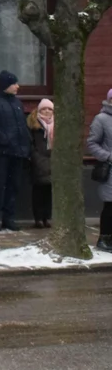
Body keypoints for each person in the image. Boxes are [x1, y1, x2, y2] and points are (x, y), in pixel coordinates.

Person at [0, 71, 30, 231]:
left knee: (13, 186)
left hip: (18, 152)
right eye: (14, 83)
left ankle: (9, 218)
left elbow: (22, 126)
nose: (17, 86)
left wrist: (25, 145)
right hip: (2, 153)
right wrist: (5, 140)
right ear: (5, 85)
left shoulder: (17, 103)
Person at [86, 88, 112, 252]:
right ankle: (104, 239)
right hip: (110, 170)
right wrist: (108, 156)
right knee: (110, 206)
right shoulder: (101, 119)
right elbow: (92, 143)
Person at [27, 99, 54, 228]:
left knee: (49, 191)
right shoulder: (34, 125)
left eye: (50, 109)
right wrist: (37, 158)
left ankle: (47, 217)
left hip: (53, 161)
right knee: (38, 191)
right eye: (44, 109)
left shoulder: (56, 125)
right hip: (38, 162)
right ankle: (38, 218)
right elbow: (30, 144)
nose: (47, 111)